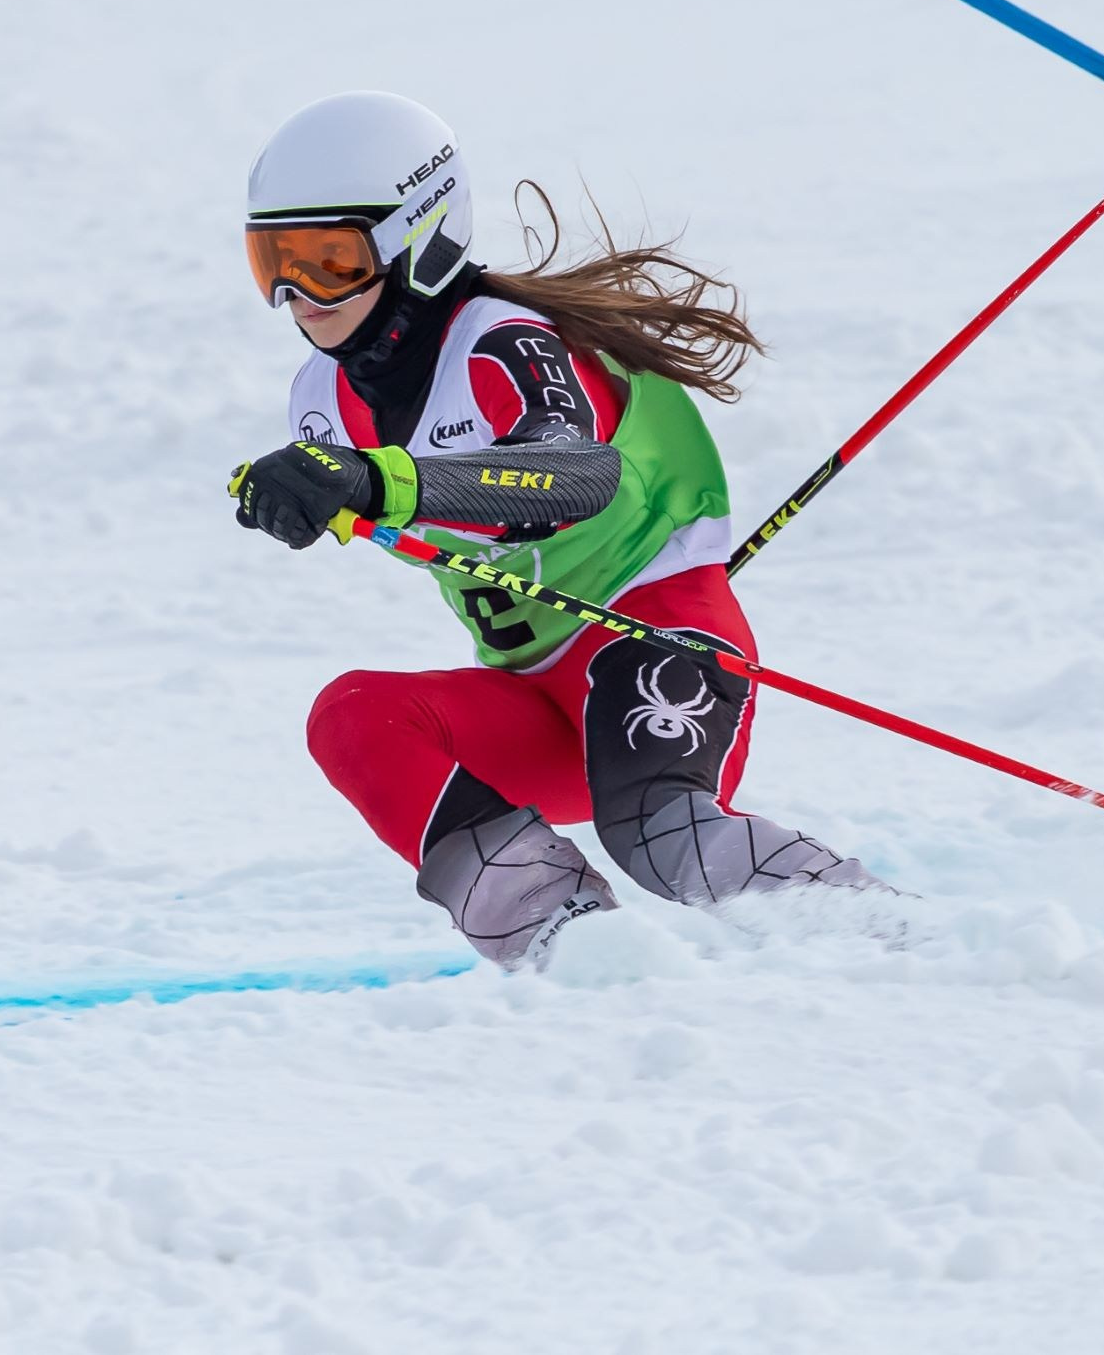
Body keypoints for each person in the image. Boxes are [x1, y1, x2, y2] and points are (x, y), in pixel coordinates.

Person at [231, 92, 881, 969]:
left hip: (650, 643)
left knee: (662, 842)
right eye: (271, 261)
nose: (295, 294)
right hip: (534, 701)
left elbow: (574, 476)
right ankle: (572, 951)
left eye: (330, 260)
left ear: (416, 239)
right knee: (352, 715)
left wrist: (376, 482)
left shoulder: (504, 345)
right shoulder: (321, 397)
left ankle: (893, 939)